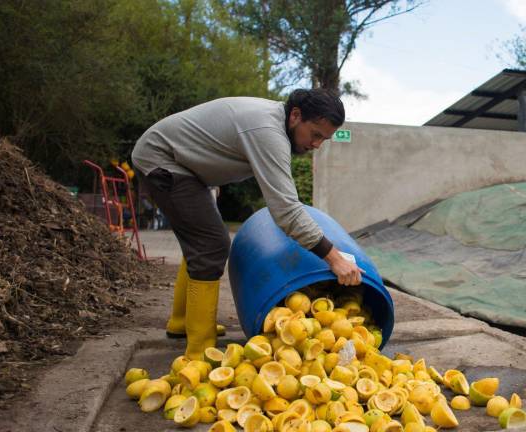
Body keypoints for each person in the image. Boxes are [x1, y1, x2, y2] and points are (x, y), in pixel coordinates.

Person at [131, 89, 362, 360]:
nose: (317, 144)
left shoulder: (275, 123)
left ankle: (182, 322)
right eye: (315, 134)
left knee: (202, 242)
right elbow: (286, 210)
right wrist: (334, 258)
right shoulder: (267, 131)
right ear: (296, 115)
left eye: (324, 138)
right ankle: (198, 353)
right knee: (211, 246)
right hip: (162, 159)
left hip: (187, 167)